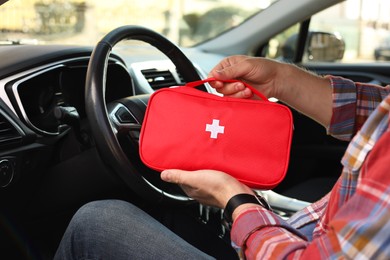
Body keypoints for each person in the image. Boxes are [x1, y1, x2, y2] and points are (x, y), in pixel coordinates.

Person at [54, 55, 390, 259]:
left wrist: (236, 201)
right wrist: (281, 80)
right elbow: (378, 113)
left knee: (96, 222)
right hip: (311, 231)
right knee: (172, 218)